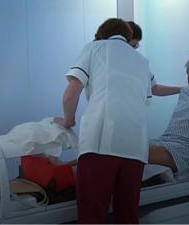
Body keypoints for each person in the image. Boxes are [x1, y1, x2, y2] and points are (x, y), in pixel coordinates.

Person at [54, 18, 150, 224]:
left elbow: (71, 92)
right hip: (136, 148)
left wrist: (68, 120)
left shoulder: (94, 48)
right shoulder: (143, 62)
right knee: (128, 215)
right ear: (127, 37)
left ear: (101, 35)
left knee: (93, 214)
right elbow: (145, 101)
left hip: (101, 143)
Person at [127, 21, 182, 96]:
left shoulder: (140, 64)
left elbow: (154, 89)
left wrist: (182, 90)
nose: (136, 48)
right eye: (134, 45)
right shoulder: (107, 64)